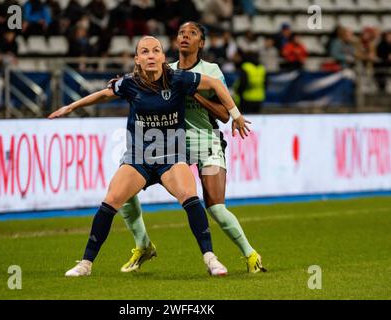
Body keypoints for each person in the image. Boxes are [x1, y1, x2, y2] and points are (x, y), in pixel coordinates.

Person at [48, 36, 251, 277]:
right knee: (111, 200)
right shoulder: (129, 83)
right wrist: (70, 108)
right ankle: (86, 263)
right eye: (145, 52)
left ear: (164, 58)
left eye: (156, 51)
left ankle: (210, 258)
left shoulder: (178, 79)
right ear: (137, 59)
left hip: (172, 157)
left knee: (190, 197)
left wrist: (236, 115)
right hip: (138, 158)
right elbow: (103, 95)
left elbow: (217, 85)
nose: (151, 55)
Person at [119, 22, 267, 274]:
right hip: (173, 147)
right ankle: (142, 244)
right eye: (181, 34)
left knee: (216, 208)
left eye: (192, 34)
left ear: (202, 43)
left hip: (207, 143)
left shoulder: (211, 71)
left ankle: (250, 254)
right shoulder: (166, 70)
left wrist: (194, 92)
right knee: (124, 192)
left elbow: (222, 115)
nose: (185, 37)